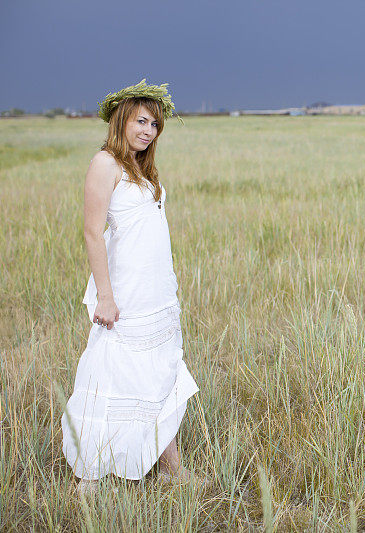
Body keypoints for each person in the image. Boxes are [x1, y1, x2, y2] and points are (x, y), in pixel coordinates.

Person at [61, 80, 199, 494]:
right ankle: (89, 473)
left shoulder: (142, 167)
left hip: (156, 289)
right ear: (122, 119)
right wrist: (105, 294)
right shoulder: (105, 164)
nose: (148, 131)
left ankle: (171, 467)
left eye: (155, 124)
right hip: (124, 291)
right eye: (141, 121)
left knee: (161, 371)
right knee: (113, 372)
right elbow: (91, 231)